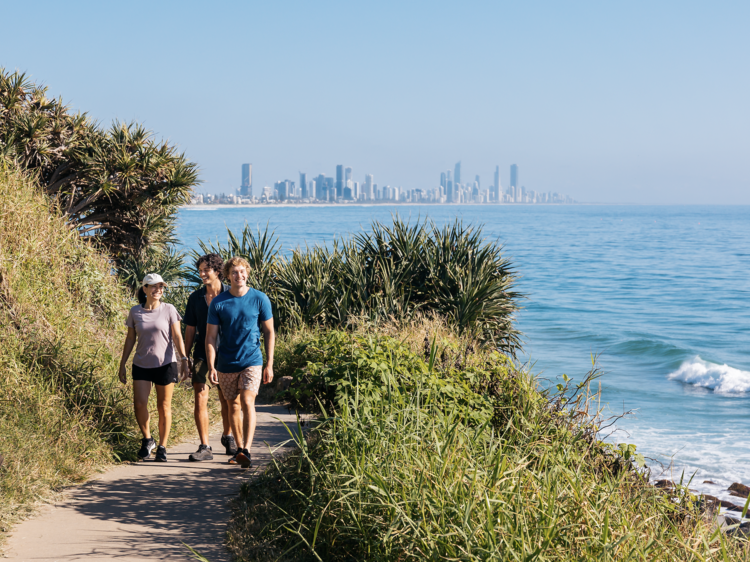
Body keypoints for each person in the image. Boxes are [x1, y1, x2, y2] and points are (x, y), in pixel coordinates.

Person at [205, 256, 274, 468]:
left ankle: (247, 450)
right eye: (234, 272)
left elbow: (269, 331)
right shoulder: (218, 303)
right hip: (226, 362)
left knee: (246, 401)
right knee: (232, 405)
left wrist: (270, 363)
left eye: (242, 271)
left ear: (248, 273)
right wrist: (211, 366)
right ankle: (239, 449)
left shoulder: (260, 298)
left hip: (252, 359)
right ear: (227, 275)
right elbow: (210, 337)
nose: (239, 276)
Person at [118, 273, 189, 462]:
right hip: (141, 363)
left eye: (161, 287)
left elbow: (177, 336)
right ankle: (148, 439)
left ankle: (163, 447)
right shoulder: (135, 311)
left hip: (165, 364)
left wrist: (184, 359)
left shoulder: (169, 309)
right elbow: (131, 338)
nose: (158, 290)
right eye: (154, 286)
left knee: (163, 406)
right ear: (145, 289)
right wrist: (122, 363)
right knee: (139, 403)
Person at [183, 253, 236, 461]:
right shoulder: (195, 298)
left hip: (227, 355)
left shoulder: (230, 295)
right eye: (200, 270)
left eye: (206, 270)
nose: (202, 274)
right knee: (200, 397)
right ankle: (205, 446)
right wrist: (185, 357)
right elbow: (190, 329)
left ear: (217, 271)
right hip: (201, 355)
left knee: (227, 399)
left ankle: (228, 436)